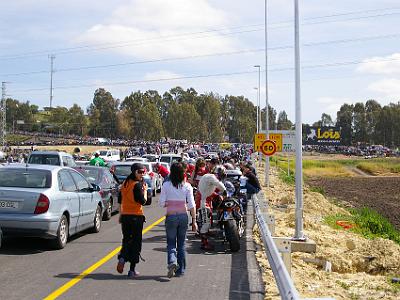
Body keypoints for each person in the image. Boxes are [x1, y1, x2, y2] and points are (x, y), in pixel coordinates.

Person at [159, 162, 197, 278]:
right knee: (181, 244)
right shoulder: (187, 186)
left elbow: (161, 203)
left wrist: (170, 203)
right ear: (183, 173)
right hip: (183, 217)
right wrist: (194, 221)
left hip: (171, 216)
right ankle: (180, 270)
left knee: (171, 243)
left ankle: (172, 261)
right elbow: (191, 205)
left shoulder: (166, 185)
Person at [116, 163, 148, 278]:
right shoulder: (137, 185)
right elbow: (143, 201)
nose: (142, 174)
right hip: (136, 216)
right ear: (134, 172)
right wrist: (145, 190)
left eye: (143, 172)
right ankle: (132, 270)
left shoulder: (125, 184)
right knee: (136, 242)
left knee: (126, 240)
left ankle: (123, 258)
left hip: (125, 216)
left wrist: (120, 214)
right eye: (139, 172)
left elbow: (120, 200)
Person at [196, 165, 227, 250]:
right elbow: (219, 185)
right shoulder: (211, 177)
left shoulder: (208, 177)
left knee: (208, 220)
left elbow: (207, 189)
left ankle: (206, 232)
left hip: (204, 199)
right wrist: (224, 191)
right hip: (203, 201)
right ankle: (204, 243)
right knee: (206, 223)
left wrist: (216, 195)